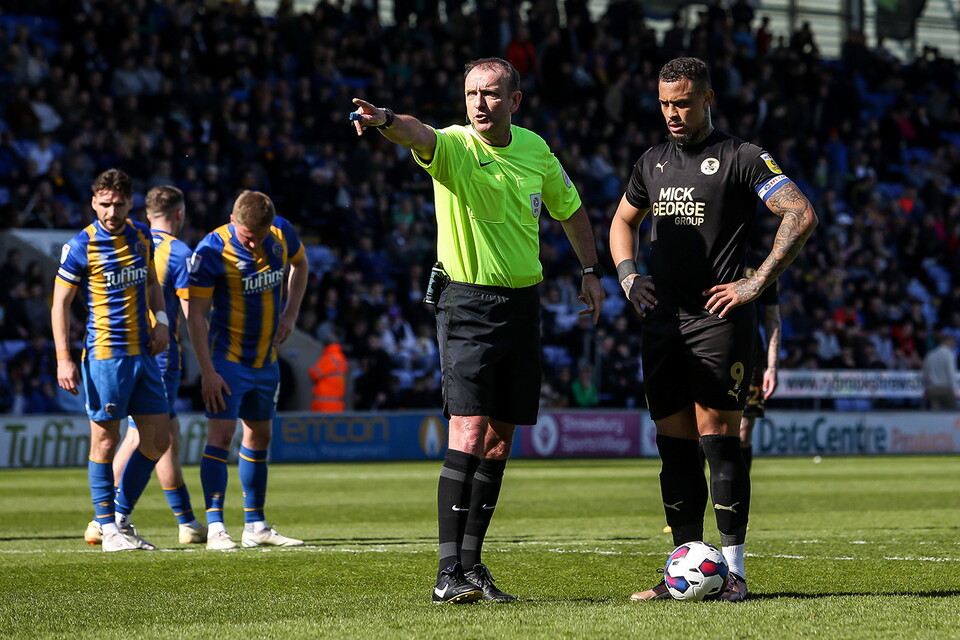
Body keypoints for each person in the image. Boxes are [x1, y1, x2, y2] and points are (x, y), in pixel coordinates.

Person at [350, 56, 605, 604]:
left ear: (515, 100)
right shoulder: (454, 147)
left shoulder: (536, 149)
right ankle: (446, 573)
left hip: (523, 306)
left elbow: (572, 209)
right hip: (466, 304)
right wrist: (384, 119)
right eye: (471, 94)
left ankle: (472, 565)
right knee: (467, 429)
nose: (480, 103)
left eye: (491, 93)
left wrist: (589, 271)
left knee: (499, 438)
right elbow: (417, 132)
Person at [609, 57, 818, 602]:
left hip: (719, 318)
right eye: (664, 103)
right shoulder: (650, 162)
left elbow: (799, 213)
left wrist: (754, 284)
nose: (672, 113)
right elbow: (622, 222)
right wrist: (629, 278)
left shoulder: (742, 156)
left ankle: (734, 572)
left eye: (682, 102)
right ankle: (680, 568)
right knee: (673, 449)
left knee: (719, 440)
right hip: (662, 322)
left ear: (707, 99)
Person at [52, 168, 172, 552]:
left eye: (118, 204)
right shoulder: (80, 245)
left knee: (158, 439)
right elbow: (60, 304)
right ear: (93, 202)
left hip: (144, 352)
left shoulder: (141, 237)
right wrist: (63, 358)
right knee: (106, 440)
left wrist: (163, 321)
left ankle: (119, 518)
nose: (111, 212)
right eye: (104, 204)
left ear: (130, 203)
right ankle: (106, 528)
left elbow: (152, 283)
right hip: (105, 355)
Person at [82, 186, 206, 547]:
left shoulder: (133, 239)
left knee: (164, 438)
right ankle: (107, 518)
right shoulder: (179, 252)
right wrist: (208, 363)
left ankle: (184, 521)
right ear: (179, 214)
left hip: (134, 351)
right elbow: (189, 313)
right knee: (145, 438)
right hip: (159, 358)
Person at [186, 189, 309, 550]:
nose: (253, 244)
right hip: (228, 361)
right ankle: (216, 527)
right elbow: (195, 315)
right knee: (221, 438)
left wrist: (290, 314)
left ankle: (255, 525)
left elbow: (301, 265)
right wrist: (207, 371)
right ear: (233, 221)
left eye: (259, 236)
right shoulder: (211, 250)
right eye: (246, 237)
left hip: (266, 360)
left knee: (259, 438)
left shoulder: (282, 232)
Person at [740, 269, 781, 470]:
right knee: (703, 434)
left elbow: (772, 317)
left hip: (751, 357)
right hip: (708, 352)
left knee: (743, 431)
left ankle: (737, 496)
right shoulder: (704, 253)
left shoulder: (762, 265)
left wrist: (772, 366)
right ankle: (697, 497)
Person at [309, 333, 348, 412]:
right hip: (337, 403)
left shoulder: (329, 358)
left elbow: (313, 373)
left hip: (323, 403)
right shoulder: (341, 358)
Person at [921, 332, 958, 409]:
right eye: (953, 343)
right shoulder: (949, 354)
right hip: (945, 390)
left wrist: (925, 388)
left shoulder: (930, 354)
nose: (954, 345)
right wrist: (955, 389)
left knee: (935, 416)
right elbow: (950, 373)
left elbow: (925, 374)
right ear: (948, 342)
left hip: (932, 389)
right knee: (953, 413)